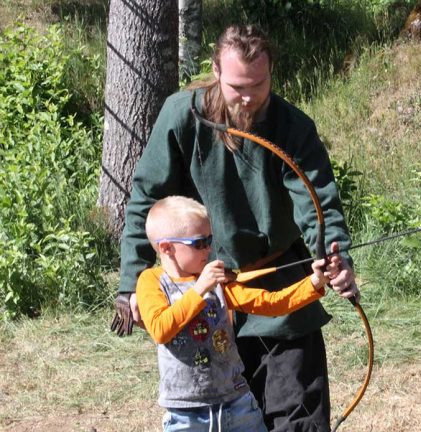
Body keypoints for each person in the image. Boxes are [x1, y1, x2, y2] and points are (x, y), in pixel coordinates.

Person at [113, 24, 358, 431]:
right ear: (215, 70)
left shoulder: (292, 127)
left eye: (257, 85)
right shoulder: (182, 115)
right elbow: (146, 198)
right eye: (236, 86)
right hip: (207, 294)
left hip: (279, 286)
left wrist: (335, 258)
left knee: (298, 416)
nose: (247, 97)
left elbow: (319, 205)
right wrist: (130, 284)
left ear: (272, 73)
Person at [137, 196, 343, 432]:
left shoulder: (215, 282)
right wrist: (200, 288)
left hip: (237, 405)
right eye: (199, 243)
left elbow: (271, 303)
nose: (208, 249)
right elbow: (160, 330)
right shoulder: (152, 281)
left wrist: (315, 281)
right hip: (186, 415)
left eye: (210, 240)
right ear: (166, 248)